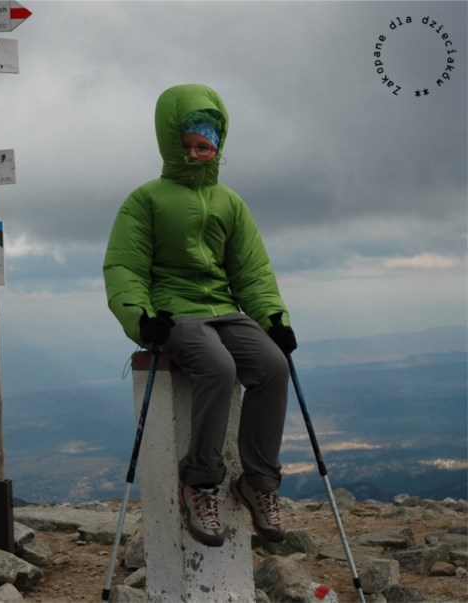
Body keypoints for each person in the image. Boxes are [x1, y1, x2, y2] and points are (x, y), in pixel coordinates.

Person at [102, 84, 297, 547]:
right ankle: (201, 482)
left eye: (204, 146)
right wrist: (142, 318)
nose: (194, 153)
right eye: (186, 145)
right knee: (218, 366)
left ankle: (259, 482)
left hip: (225, 308)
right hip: (174, 312)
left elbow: (251, 270)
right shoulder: (145, 200)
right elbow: (125, 266)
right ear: (170, 143)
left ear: (218, 146)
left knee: (272, 366)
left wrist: (272, 318)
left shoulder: (231, 203)